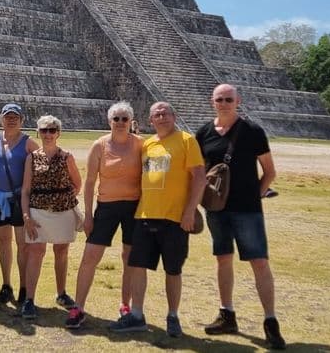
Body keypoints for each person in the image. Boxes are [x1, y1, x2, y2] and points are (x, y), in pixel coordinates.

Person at [196, 84, 286, 350]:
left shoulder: (253, 132)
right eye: (219, 99)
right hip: (216, 209)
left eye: (228, 99)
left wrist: (254, 197)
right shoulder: (204, 133)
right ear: (212, 102)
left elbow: (269, 171)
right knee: (223, 259)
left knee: (259, 262)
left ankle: (270, 322)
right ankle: (227, 314)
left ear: (238, 101)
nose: (223, 103)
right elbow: (201, 172)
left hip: (247, 210)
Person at [109, 102, 206, 337]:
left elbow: (199, 177)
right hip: (145, 214)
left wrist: (189, 211)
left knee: (172, 269)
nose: (161, 117)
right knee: (137, 266)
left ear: (173, 117)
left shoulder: (186, 140)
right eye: (157, 115)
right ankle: (137, 314)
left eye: (165, 114)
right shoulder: (148, 144)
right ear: (150, 120)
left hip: (174, 217)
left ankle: (173, 316)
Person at [65, 101, 142, 329]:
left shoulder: (140, 145)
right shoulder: (99, 145)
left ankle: (125, 305)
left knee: (129, 257)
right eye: (116, 119)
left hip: (134, 208)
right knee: (90, 256)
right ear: (109, 121)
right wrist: (88, 215)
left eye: (124, 119)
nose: (120, 123)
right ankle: (78, 307)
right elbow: (89, 183)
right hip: (106, 207)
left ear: (131, 121)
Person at [19, 115, 82, 320]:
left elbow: (77, 183)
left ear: (58, 133)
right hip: (38, 209)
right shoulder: (32, 158)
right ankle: (29, 299)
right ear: (39, 132)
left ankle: (61, 293)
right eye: (44, 130)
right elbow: (26, 190)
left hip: (62, 211)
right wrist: (26, 216)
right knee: (36, 251)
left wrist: (62, 199)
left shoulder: (67, 157)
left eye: (52, 130)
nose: (48, 134)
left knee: (61, 251)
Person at [0, 103, 40, 307]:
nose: (11, 119)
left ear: (22, 120)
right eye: (8, 116)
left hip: (18, 200)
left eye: (15, 116)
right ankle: (6, 285)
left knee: (22, 245)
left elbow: (43, 164)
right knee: (3, 241)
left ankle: (24, 287)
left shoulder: (28, 143)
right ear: (1, 119)